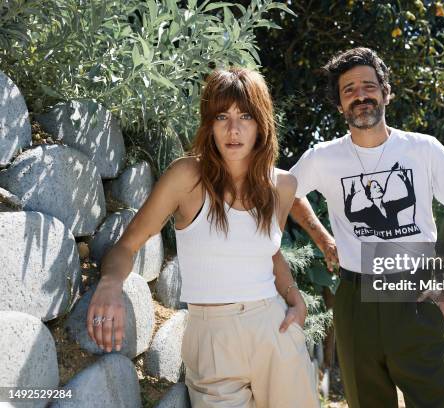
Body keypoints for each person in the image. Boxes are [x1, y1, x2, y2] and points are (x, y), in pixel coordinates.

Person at [87, 68, 319, 408]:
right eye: (221, 116)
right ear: (209, 123)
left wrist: (296, 300)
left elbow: (269, 254)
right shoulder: (186, 177)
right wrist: (109, 284)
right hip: (211, 337)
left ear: (262, 123)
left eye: (245, 116)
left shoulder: (282, 186)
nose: (233, 129)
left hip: (274, 329)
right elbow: (127, 245)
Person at [289, 47, 444, 407]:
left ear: (386, 92)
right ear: (339, 104)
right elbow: (286, 194)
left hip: (414, 297)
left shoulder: (424, 150)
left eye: (368, 85)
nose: (360, 96)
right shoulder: (323, 158)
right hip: (355, 303)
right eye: (348, 90)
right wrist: (324, 240)